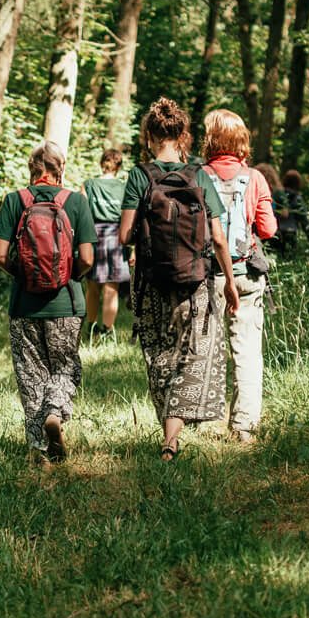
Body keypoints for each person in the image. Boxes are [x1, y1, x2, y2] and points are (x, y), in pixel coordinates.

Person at [118, 98, 239, 462]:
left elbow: (124, 234)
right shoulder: (199, 175)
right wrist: (230, 281)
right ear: (183, 135)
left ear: (149, 136)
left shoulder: (141, 175)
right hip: (195, 281)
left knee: (159, 354)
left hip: (153, 280)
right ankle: (173, 435)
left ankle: (167, 433)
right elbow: (218, 237)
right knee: (193, 352)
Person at [0, 140, 96, 466]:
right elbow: (88, 258)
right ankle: (55, 412)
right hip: (66, 303)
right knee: (65, 366)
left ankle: (37, 445)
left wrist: (21, 274)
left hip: (24, 305)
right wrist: (67, 277)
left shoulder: (15, 201)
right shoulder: (76, 202)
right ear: (59, 168)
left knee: (30, 374)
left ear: (31, 169)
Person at [203, 110, 277, 443]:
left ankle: (203, 419)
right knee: (247, 352)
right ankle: (243, 426)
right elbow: (269, 229)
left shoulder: (198, 175)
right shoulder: (255, 178)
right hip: (247, 273)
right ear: (241, 141)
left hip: (208, 276)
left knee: (205, 349)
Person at [82, 148, 131, 342]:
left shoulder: (88, 185)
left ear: (101, 163)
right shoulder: (123, 187)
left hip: (93, 236)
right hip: (116, 237)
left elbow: (82, 213)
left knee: (92, 288)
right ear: (118, 166)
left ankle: (91, 330)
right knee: (112, 289)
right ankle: (107, 331)